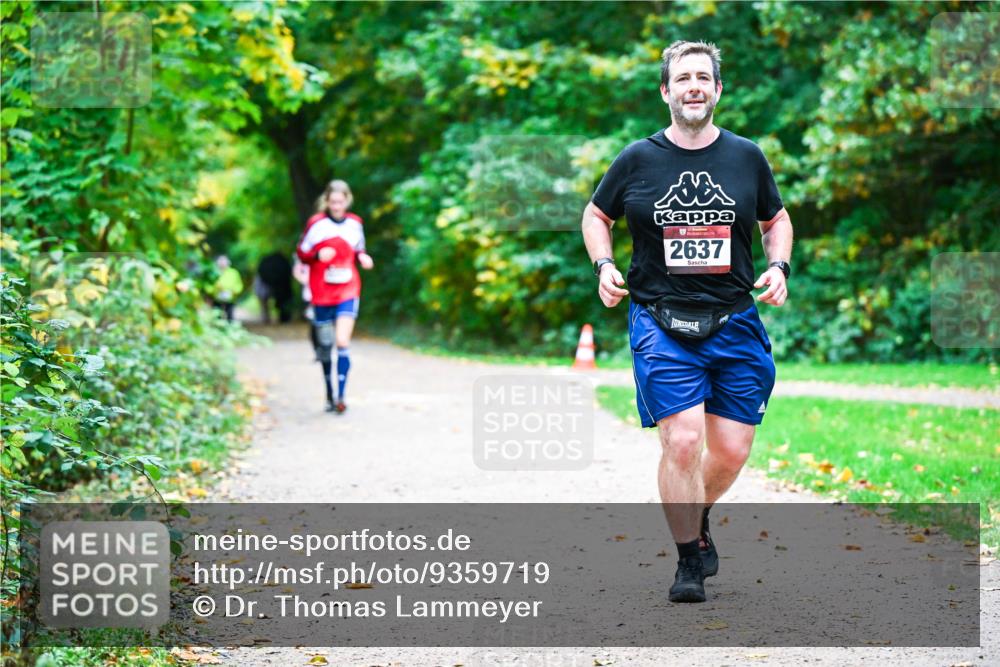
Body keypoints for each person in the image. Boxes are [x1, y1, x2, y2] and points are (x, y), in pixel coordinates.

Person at [581, 40, 793, 603]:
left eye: (704, 77)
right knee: (682, 441)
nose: (694, 85)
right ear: (666, 91)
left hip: (735, 320)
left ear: (718, 90)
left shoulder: (747, 157)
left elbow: (777, 218)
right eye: (683, 77)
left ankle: (695, 519)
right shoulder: (637, 158)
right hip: (660, 318)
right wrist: (603, 264)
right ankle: (687, 564)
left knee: (730, 451)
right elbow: (596, 214)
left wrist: (780, 266)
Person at [296, 180, 374, 414]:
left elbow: (359, 249)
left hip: (348, 289)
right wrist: (318, 254)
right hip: (321, 292)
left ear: (347, 200)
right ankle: (329, 392)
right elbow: (302, 252)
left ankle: (341, 395)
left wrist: (363, 258)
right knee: (325, 345)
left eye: (341, 202)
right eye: (333, 202)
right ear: (327, 202)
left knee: (342, 341)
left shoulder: (355, 224)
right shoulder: (317, 224)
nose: (337, 207)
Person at [254, 252, 293, 324]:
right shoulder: (282, 263)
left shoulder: (266, 265)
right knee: (280, 302)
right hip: (278, 287)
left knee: (265, 305)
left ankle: (266, 318)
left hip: (270, 287)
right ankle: (276, 318)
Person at [210, 255, 244, 322]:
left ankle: (230, 328)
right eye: (221, 261)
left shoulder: (234, 272)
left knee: (230, 316)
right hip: (217, 298)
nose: (222, 263)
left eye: (224, 261)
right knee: (217, 316)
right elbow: (209, 285)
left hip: (230, 298)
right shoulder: (213, 272)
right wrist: (215, 289)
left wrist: (234, 291)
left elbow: (239, 285)